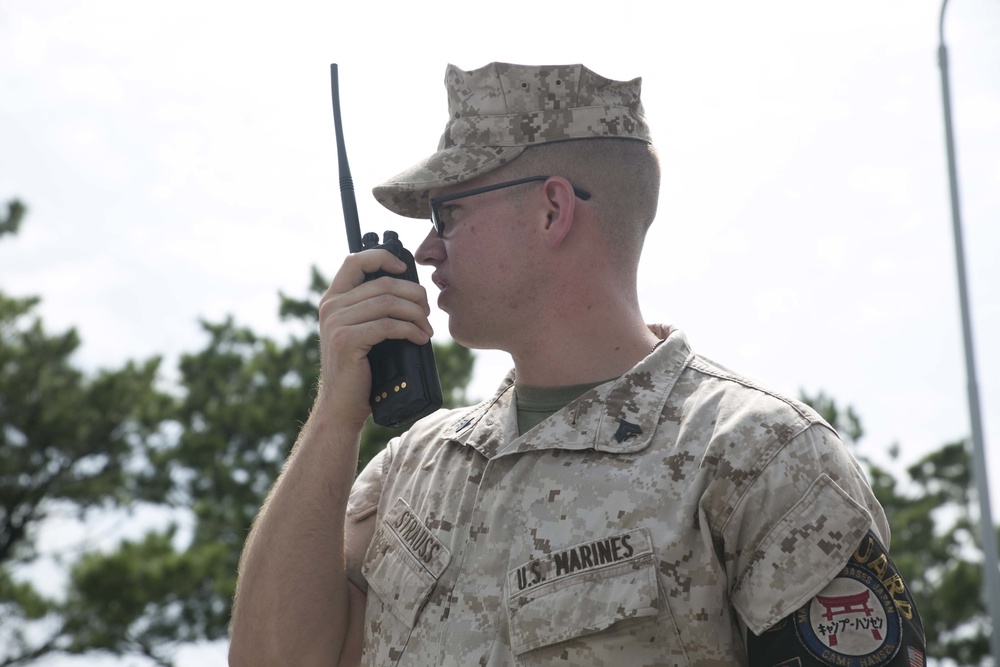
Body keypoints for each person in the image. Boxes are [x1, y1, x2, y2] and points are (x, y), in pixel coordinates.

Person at [229, 62, 926, 667]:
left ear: (551, 209)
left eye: (446, 213)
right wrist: (334, 413)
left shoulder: (760, 454)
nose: (427, 251)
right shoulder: (413, 466)